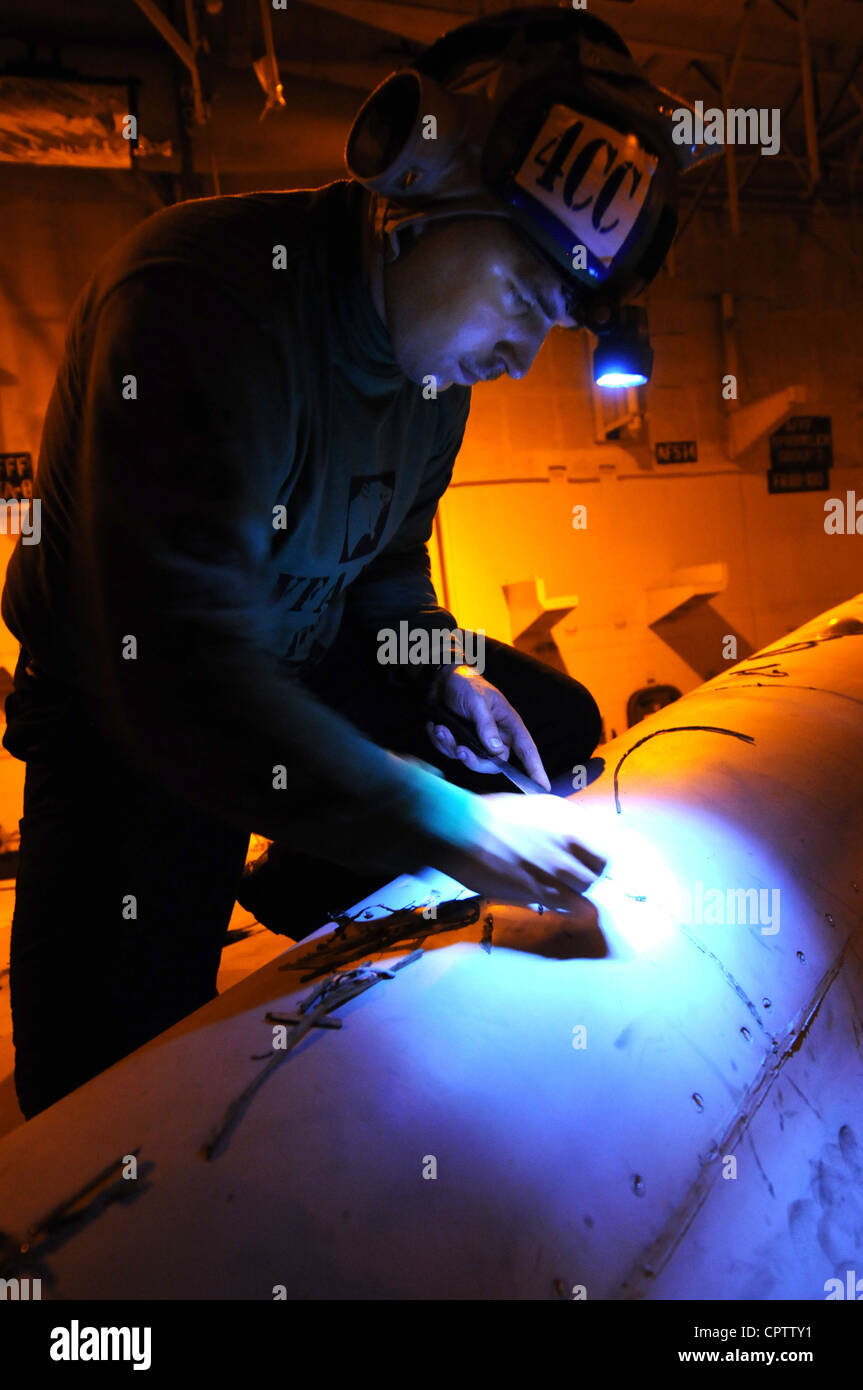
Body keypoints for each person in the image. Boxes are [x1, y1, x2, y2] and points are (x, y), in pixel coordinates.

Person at [1, 7, 705, 1118]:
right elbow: (181, 672)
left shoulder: (439, 380)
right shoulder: (198, 300)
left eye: (554, 322)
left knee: (547, 721)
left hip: (307, 645)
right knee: (113, 1092)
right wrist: (447, 822)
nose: (526, 354)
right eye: (523, 295)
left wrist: (438, 676)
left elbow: (387, 575)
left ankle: (317, 901)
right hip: (131, 711)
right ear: (410, 199)